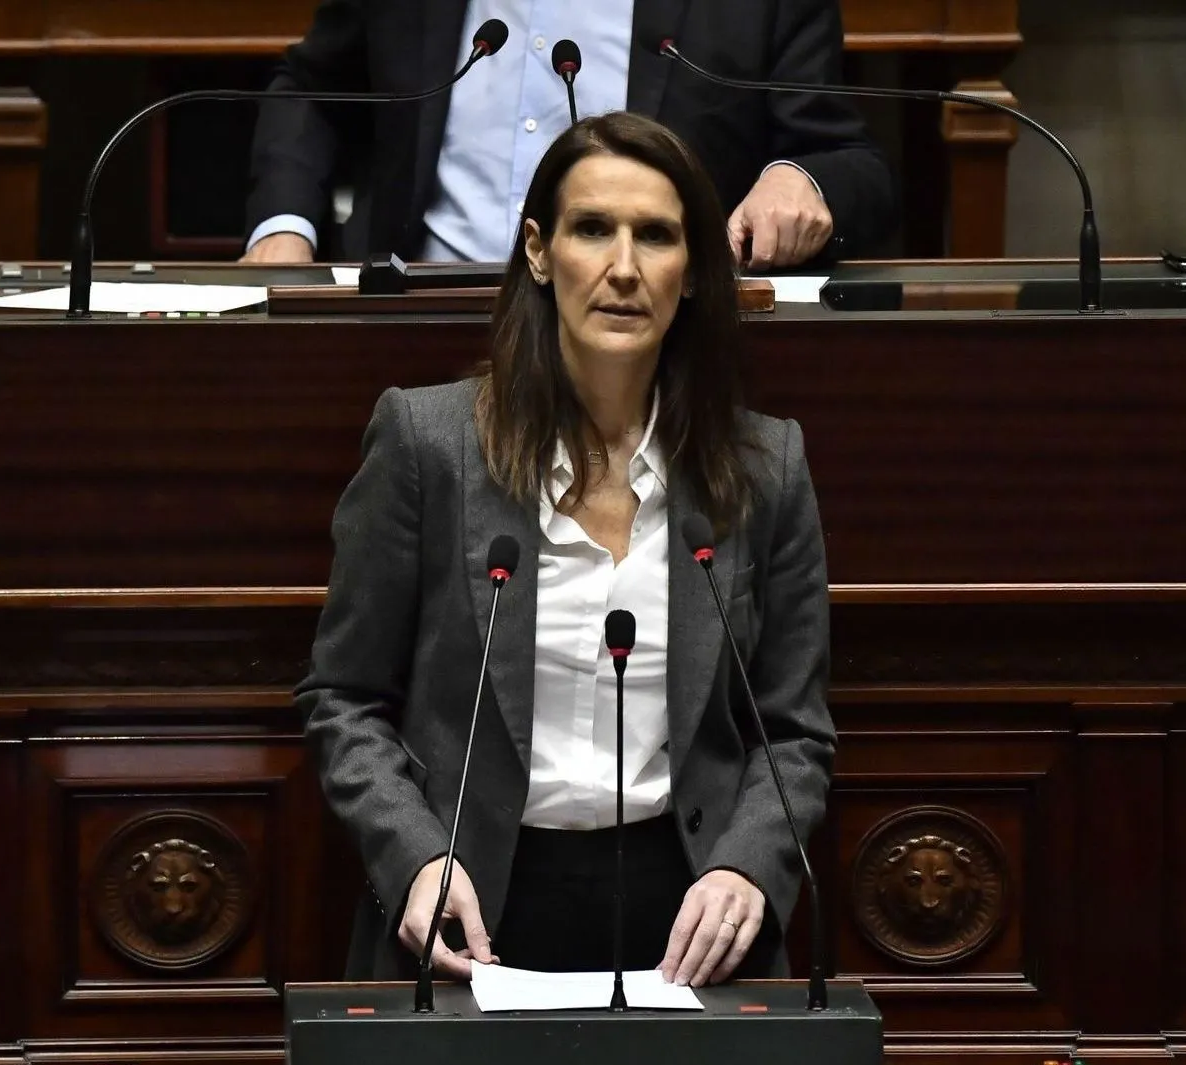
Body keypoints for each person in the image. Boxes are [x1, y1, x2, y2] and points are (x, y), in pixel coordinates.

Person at [295, 111, 835, 986]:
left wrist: (748, 867)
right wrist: (415, 856)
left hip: (688, 920)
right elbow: (344, 698)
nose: (623, 267)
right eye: (592, 229)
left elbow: (794, 734)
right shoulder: (428, 445)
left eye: (655, 235)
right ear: (539, 253)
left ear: (694, 270)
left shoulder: (764, 467)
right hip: (474, 908)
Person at [243, 0, 896, 272]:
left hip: (658, 353)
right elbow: (311, 91)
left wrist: (799, 180)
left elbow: (850, 163)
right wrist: (283, 229)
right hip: (416, 324)